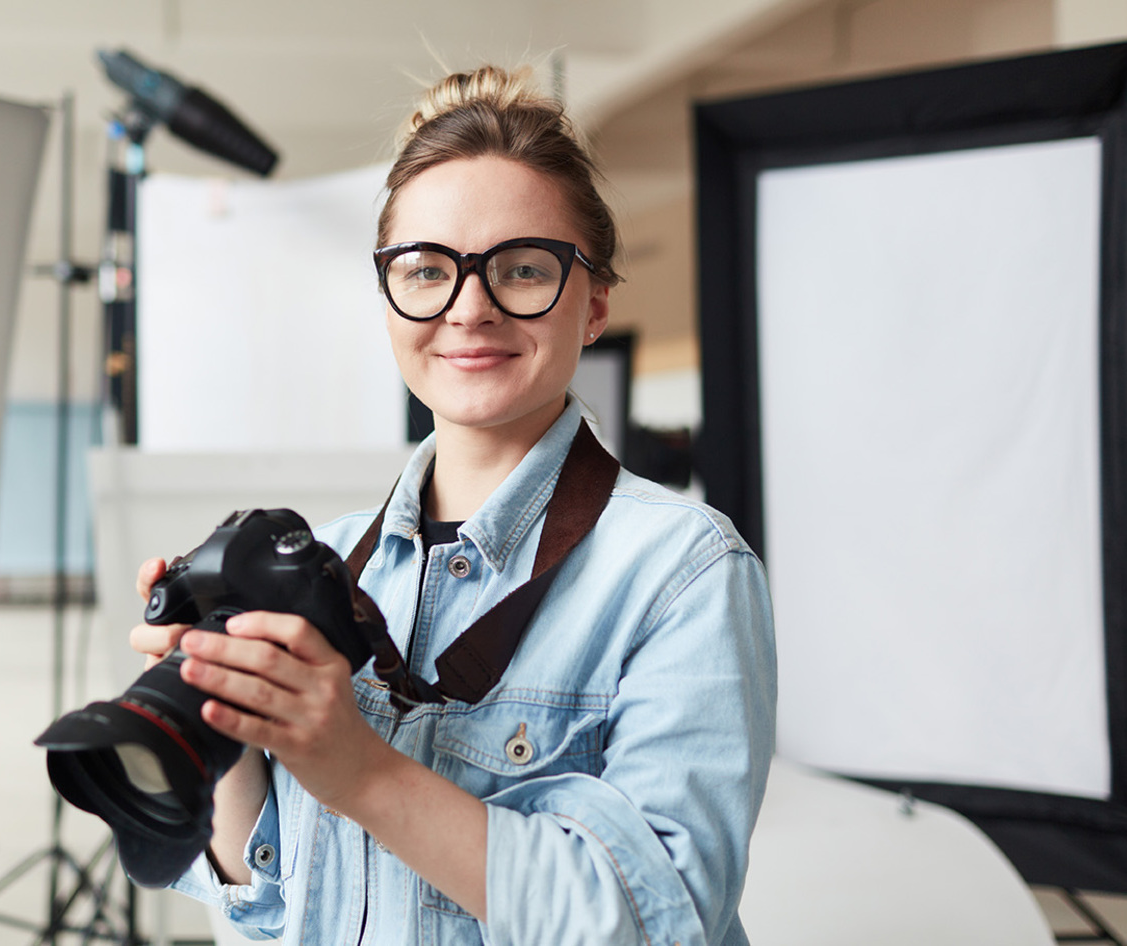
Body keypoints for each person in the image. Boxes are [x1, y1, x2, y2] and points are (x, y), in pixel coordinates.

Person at [129, 64, 776, 946]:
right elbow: (272, 905)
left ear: (594, 306)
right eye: (428, 270)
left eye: (521, 268)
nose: (469, 309)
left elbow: (656, 928)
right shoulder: (324, 559)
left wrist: (357, 768)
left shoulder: (682, 573)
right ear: (390, 297)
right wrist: (226, 719)